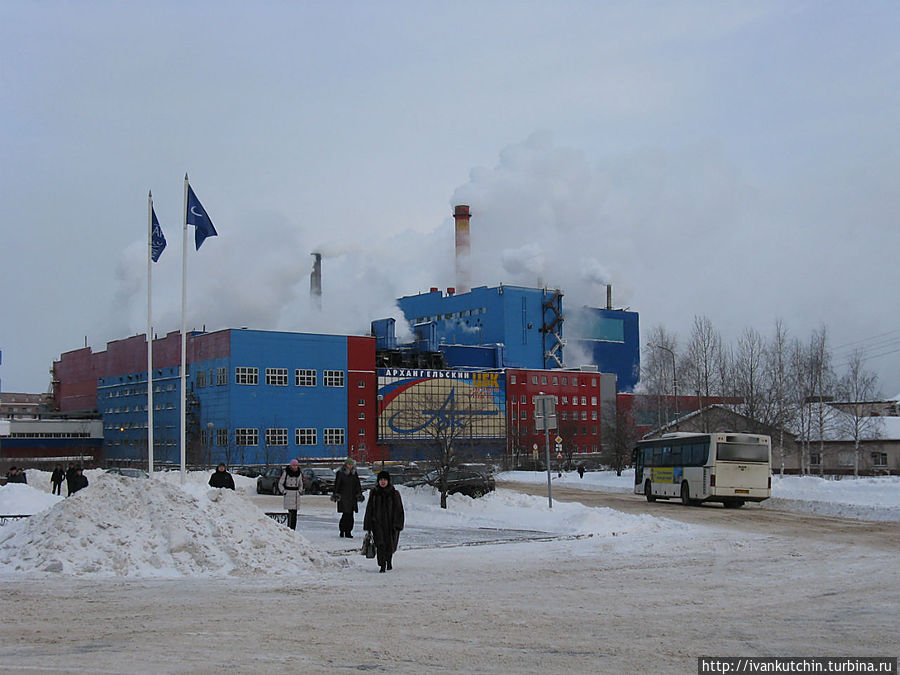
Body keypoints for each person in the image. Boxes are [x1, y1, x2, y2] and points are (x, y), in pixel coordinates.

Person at [363, 470, 404, 573]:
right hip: (377, 524)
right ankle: (382, 565)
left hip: (390, 524)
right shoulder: (374, 492)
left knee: (389, 545)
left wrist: (397, 524)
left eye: (385, 480)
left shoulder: (394, 493)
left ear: (388, 481)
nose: (383, 482)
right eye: (381, 479)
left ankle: (389, 561)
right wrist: (368, 524)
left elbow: (399, 510)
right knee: (380, 544)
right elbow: (369, 509)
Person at [332, 457, 363, 538]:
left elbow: (357, 485)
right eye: (349, 464)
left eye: (351, 464)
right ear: (346, 465)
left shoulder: (354, 473)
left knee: (351, 515)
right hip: (343, 497)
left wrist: (359, 494)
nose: (350, 466)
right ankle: (342, 530)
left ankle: (348, 531)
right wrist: (336, 494)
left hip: (352, 497)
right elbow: (337, 485)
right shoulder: (341, 473)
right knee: (345, 514)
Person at [278, 459, 304, 530]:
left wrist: (300, 491)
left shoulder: (299, 473)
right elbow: (280, 483)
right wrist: (284, 491)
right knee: (290, 514)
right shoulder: (286, 472)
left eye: (296, 465)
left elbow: (301, 484)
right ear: (291, 465)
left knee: (295, 514)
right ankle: (290, 529)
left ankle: (293, 529)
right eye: (293, 465)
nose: (295, 467)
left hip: (296, 495)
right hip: (289, 494)